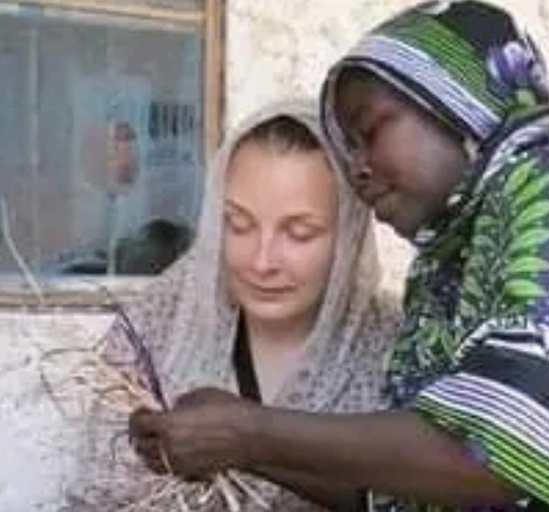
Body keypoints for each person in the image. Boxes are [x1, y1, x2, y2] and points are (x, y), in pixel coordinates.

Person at [128, 2, 549, 511]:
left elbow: (500, 449)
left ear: (452, 99)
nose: (359, 168)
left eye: (371, 129)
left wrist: (249, 431)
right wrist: (232, 446)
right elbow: (411, 488)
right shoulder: (462, 258)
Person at [68, 100, 402, 511]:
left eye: (299, 233)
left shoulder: (395, 351)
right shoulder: (158, 326)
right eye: (239, 224)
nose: (262, 261)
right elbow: (94, 494)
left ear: (348, 238)